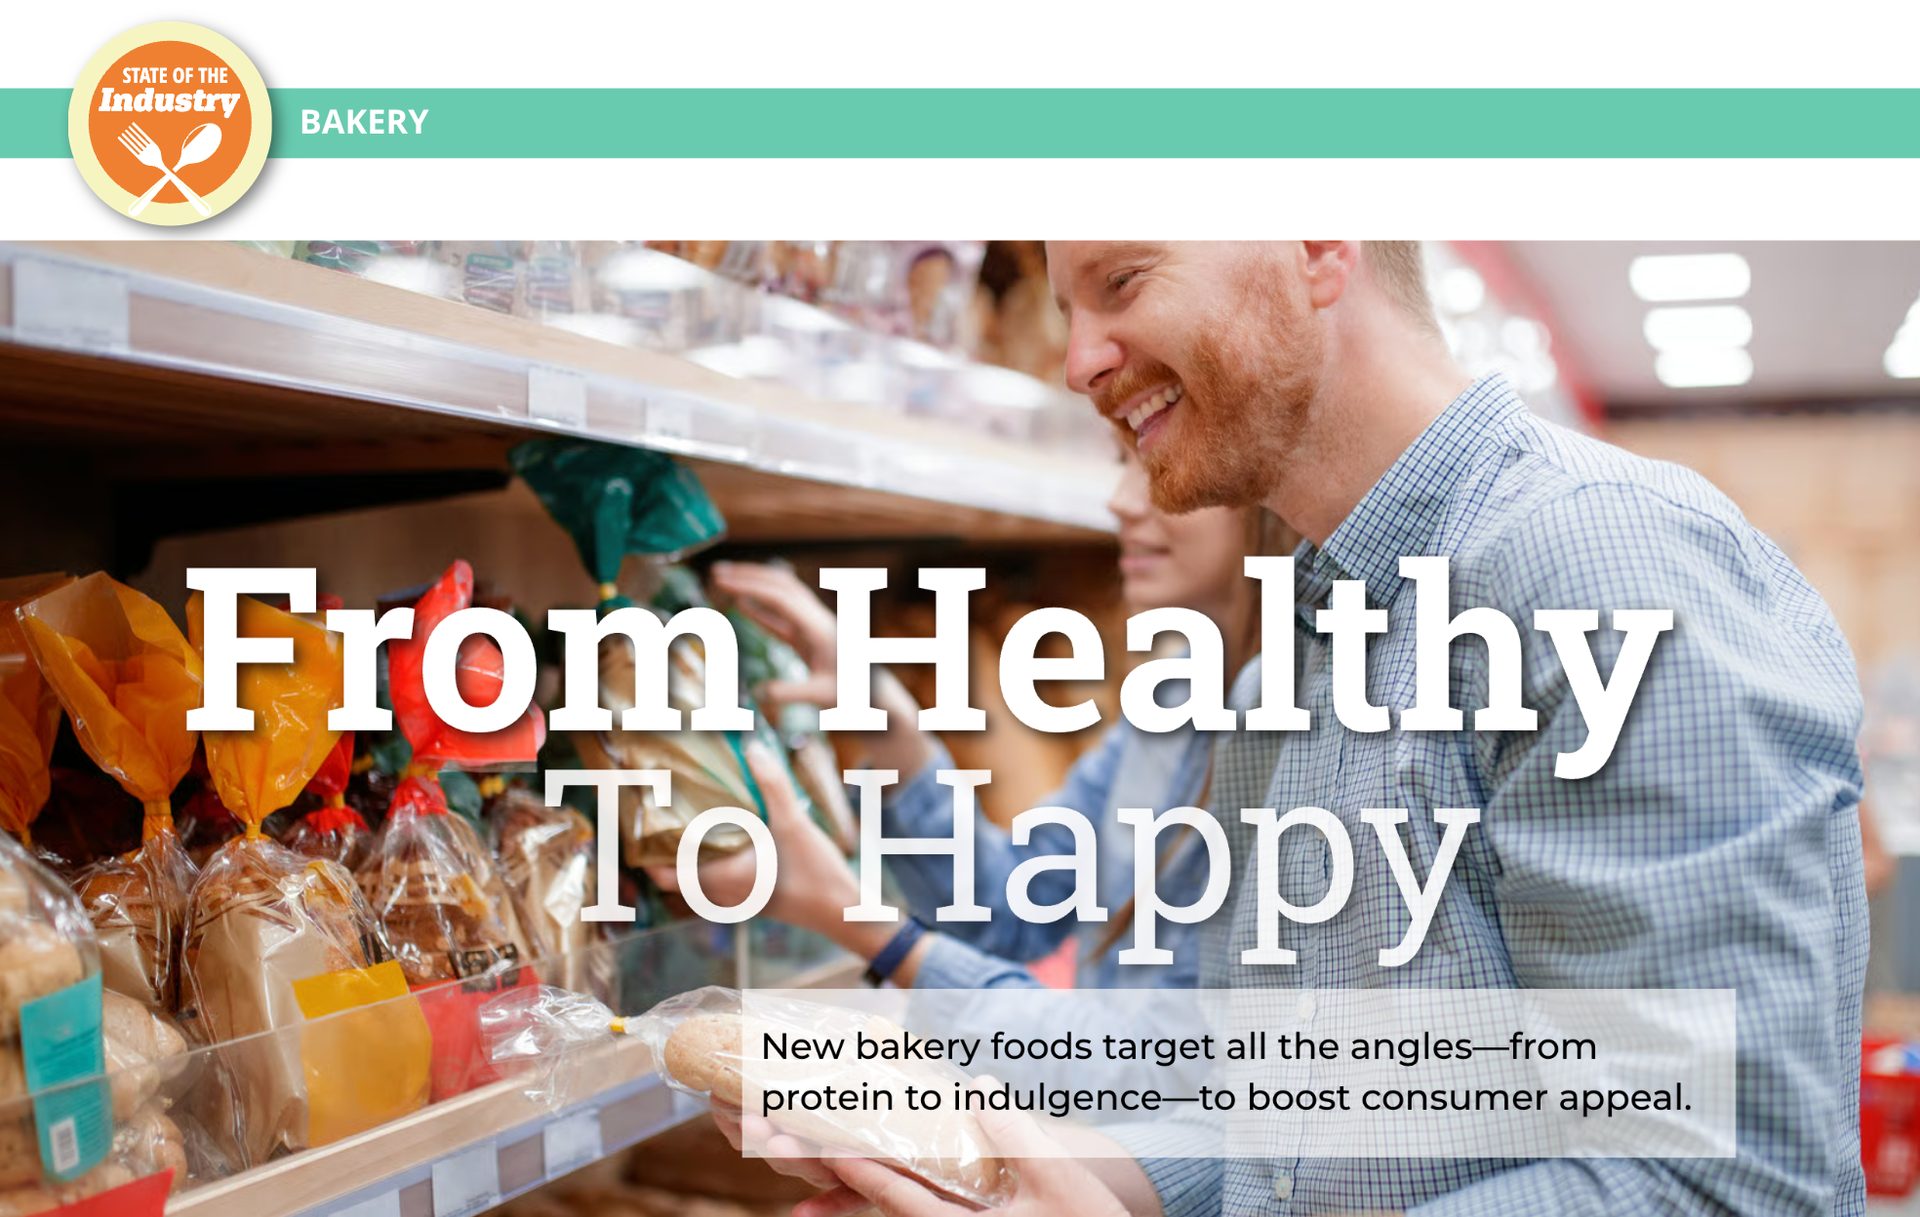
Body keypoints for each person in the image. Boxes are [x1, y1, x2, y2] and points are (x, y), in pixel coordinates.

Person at [716, 241, 1869, 1217]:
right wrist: (1023, 1170)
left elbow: (1721, 1177)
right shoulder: (1312, 646)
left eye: (1122, 281)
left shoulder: (1596, 573)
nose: (1075, 363)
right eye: (1068, 309)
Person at [652, 442, 1293, 996]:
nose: (1122, 501)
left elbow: (1159, 1066)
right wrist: (889, 725)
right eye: (1121, 462)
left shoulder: (1304, 734)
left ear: (1270, 487)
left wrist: (859, 922)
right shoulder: (1180, 693)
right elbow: (1014, 905)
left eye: (1159, 466)